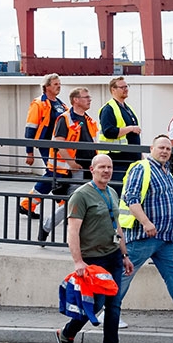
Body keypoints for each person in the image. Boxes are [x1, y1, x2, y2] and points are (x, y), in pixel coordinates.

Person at [115, 135, 173, 329]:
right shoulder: (143, 168)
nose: (165, 151)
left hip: (166, 237)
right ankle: (107, 313)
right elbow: (131, 198)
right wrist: (146, 222)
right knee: (124, 275)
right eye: (161, 147)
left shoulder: (165, 171)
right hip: (144, 236)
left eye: (168, 148)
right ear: (152, 148)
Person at [54, 154, 135, 343]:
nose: (106, 171)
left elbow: (117, 227)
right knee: (96, 304)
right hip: (92, 260)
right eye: (102, 167)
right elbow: (73, 231)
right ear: (92, 169)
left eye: (109, 167)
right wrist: (78, 261)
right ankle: (67, 333)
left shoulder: (112, 192)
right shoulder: (81, 196)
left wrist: (125, 255)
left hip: (113, 256)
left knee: (114, 305)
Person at [38, 87, 99, 243]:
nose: (89, 99)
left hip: (89, 168)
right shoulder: (65, 119)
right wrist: (72, 164)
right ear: (75, 100)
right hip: (74, 170)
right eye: (86, 97)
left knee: (87, 203)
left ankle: (84, 238)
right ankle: (46, 227)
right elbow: (59, 143)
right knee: (73, 204)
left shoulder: (88, 119)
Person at [20, 73, 66, 218]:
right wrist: (29, 152)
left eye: (59, 83)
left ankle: (28, 205)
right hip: (46, 145)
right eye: (55, 84)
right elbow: (30, 127)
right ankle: (64, 207)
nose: (58, 86)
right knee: (55, 173)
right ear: (46, 87)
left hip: (60, 146)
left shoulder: (61, 104)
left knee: (56, 174)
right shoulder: (38, 103)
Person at [98, 77, 142, 192]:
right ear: (113, 90)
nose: (125, 89)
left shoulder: (127, 108)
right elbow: (109, 132)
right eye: (122, 87)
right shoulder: (108, 109)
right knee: (118, 192)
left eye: (126, 86)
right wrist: (130, 128)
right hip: (118, 159)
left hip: (131, 158)